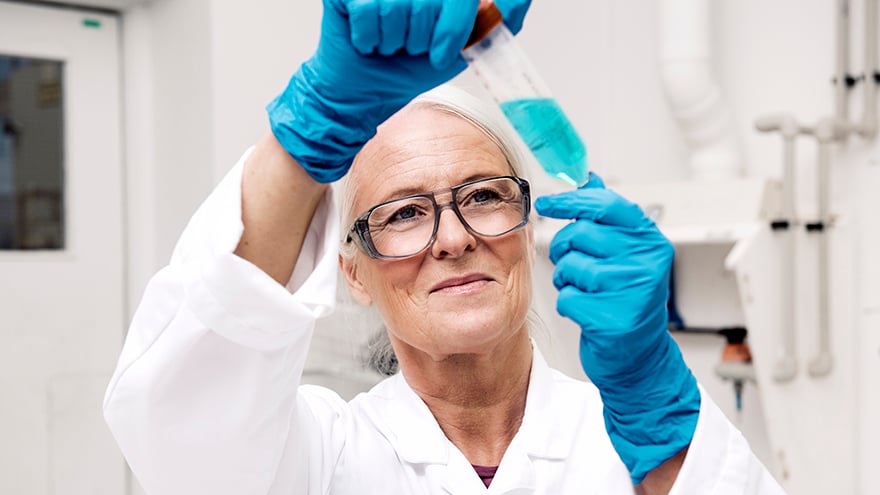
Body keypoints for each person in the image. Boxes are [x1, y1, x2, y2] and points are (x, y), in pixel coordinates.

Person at [103, 1, 786, 493]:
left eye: (485, 196)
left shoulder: (633, 440)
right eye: (402, 213)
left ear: (527, 226)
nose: (455, 239)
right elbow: (185, 425)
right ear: (355, 273)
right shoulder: (318, 457)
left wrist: (656, 405)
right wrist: (314, 124)